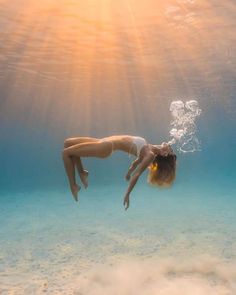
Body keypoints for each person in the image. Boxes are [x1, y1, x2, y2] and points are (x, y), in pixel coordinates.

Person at [62, 135, 177, 209]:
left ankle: (73, 185)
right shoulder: (149, 148)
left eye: (169, 149)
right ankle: (82, 172)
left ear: (164, 154)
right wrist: (128, 173)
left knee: (66, 153)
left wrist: (127, 194)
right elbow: (135, 164)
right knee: (68, 143)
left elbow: (136, 174)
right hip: (103, 140)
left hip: (106, 146)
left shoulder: (150, 155)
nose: (168, 144)